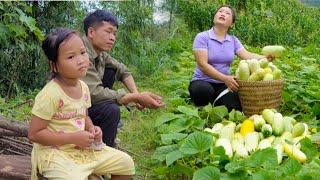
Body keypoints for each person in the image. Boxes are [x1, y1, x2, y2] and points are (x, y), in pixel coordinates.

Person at [28, 28, 134, 180]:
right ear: (54, 66)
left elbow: (83, 115)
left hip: (80, 149)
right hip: (55, 153)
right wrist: (72, 138)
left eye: (83, 53)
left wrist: (92, 129)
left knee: (126, 163)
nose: (81, 60)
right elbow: (34, 134)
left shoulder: (83, 87)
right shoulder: (50, 94)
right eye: (71, 57)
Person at [81, 10, 164, 147]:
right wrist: (135, 97)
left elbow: (123, 70)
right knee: (111, 110)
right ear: (91, 32)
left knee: (111, 70)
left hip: (87, 102)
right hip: (70, 109)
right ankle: (103, 151)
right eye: (108, 32)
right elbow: (94, 93)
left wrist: (136, 94)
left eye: (114, 33)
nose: (112, 37)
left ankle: (101, 131)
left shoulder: (100, 53)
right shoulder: (81, 53)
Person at [189, 5, 273, 111]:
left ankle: (216, 100)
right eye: (220, 11)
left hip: (224, 84)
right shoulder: (202, 37)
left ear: (232, 24)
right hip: (203, 80)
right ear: (214, 17)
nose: (223, 14)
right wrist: (225, 78)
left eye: (227, 13)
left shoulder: (233, 40)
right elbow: (202, 64)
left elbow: (247, 56)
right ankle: (212, 100)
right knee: (203, 92)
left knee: (234, 107)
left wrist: (265, 58)